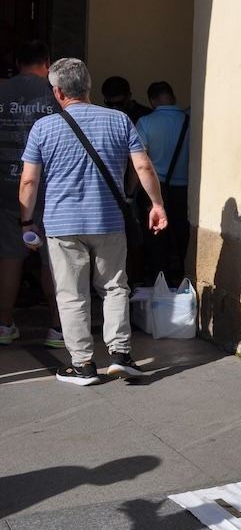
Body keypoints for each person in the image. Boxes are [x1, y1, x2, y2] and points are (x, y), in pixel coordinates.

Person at [18, 58, 168, 384]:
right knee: (115, 287)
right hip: (109, 220)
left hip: (62, 224)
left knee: (72, 294)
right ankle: (120, 354)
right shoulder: (120, 120)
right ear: (88, 86)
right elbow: (142, 167)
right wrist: (156, 204)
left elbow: (29, 181)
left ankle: (83, 364)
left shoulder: (43, 128)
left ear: (57, 91)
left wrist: (26, 222)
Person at [0, 41, 61, 347]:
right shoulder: (55, 94)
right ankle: (57, 327)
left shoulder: (2, 91)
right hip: (50, 190)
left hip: (6, 188)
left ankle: (5, 323)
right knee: (54, 260)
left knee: (10, 258)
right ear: (46, 63)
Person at [135, 81, 190, 284]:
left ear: (152, 101)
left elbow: (140, 163)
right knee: (182, 237)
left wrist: (131, 192)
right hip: (185, 189)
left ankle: (160, 282)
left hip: (155, 190)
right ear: (172, 97)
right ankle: (183, 280)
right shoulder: (190, 120)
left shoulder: (145, 123)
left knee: (156, 241)